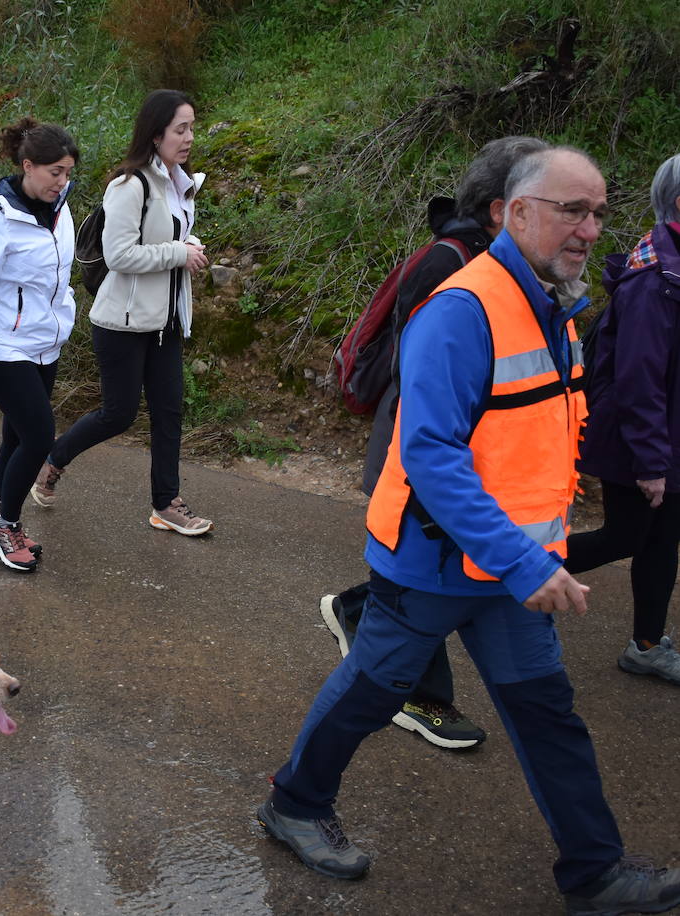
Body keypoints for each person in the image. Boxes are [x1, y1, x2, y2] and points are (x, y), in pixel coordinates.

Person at [257, 147, 680, 914]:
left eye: (598, 212)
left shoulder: (558, 306)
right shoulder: (462, 309)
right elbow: (431, 456)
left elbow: (538, 434)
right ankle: (292, 803)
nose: (590, 228)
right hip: (434, 562)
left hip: (510, 566)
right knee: (372, 690)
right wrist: (525, 563)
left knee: (546, 710)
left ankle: (596, 872)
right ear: (516, 214)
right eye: (571, 211)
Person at [320, 136, 548, 750]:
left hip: (454, 454)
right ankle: (415, 698)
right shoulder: (451, 266)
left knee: (434, 582)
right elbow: (423, 376)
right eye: (552, 204)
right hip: (417, 449)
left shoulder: (507, 269)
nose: (573, 225)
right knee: (426, 582)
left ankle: (359, 614)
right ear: (503, 209)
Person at [29, 89, 213, 535]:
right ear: (155, 135)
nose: (189, 137)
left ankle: (165, 504)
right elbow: (119, 254)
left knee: (170, 412)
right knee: (119, 413)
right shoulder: (130, 186)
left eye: (192, 127)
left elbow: (167, 245)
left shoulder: (179, 185)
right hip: (122, 323)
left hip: (166, 322)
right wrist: (179, 252)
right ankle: (54, 459)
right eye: (180, 129)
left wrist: (186, 250)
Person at [565, 153, 680, 685]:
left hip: (664, 438)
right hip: (639, 440)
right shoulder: (655, 279)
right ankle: (504, 575)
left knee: (661, 539)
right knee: (625, 537)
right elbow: (639, 380)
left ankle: (648, 644)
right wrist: (653, 462)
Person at [0, 118, 80, 572]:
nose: (62, 181)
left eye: (68, 172)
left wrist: (63, 314)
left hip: (44, 343)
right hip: (1, 347)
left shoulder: (61, 210)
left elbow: (60, 276)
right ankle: (5, 524)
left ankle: (3, 520)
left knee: (16, 434)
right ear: (28, 166)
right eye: (54, 173)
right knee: (39, 434)